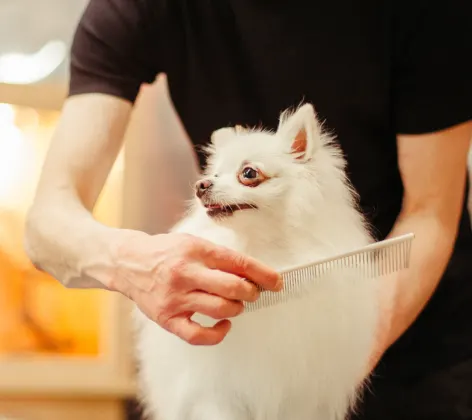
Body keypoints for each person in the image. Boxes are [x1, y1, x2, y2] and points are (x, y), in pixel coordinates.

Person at [24, 0, 472, 418]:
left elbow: (431, 211)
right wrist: (135, 263)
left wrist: (342, 349)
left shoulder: (426, 11)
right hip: (225, 358)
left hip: (413, 342)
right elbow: (48, 223)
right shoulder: (137, 9)